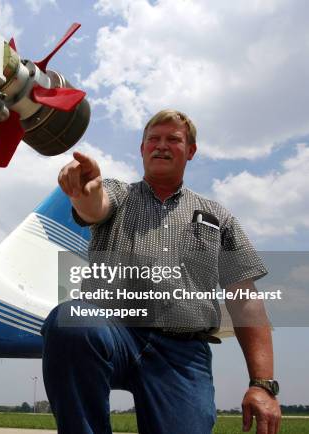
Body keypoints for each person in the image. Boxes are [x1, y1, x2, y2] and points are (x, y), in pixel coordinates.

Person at [42, 109, 281, 434]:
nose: (161, 145)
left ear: (191, 150)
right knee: (72, 320)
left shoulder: (218, 217)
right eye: (153, 139)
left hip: (181, 354)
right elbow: (94, 204)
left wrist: (262, 383)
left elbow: (245, 300)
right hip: (115, 332)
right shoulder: (120, 194)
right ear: (142, 149)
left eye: (173, 139)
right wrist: (84, 192)